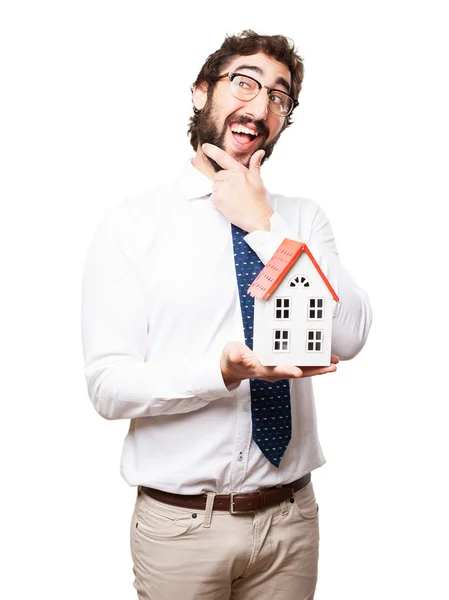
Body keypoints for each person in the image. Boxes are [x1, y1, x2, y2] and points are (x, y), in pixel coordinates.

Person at [81, 30, 372, 600]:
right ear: (200, 92)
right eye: (245, 82)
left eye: (279, 96)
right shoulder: (131, 225)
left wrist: (264, 227)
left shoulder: (300, 220)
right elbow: (108, 388)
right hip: (182, 529)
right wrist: (220, 371)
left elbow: (350, 333)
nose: (260, 106)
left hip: (290, 521)